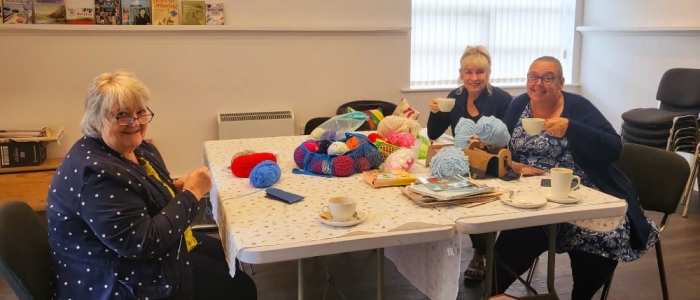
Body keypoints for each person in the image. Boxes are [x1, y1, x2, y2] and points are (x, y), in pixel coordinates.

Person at [46, 70, 257, 300]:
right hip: (118, 279)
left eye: (140, 112)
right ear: (96, 119)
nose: (135, 123)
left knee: (228, 255)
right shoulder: (97, 176)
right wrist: (192, 192)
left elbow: (141, 199)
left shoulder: (135, 148)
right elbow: (144, 243)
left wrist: (175, 189)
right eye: (122, 115)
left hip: (136, 254)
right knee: (239, 287)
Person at [495, 56, 659, 299]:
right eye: (533, 77)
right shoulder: (519, 104)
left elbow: (615, 148)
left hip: (585, 192)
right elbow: (504, 141)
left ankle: (581, 296)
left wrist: (573, 128)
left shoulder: (578, 107)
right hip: (533, 195)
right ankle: (491, 292)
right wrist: (505, 157)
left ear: (560, 82)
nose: (538, 83)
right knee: (517, 236)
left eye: (547, 78)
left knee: (601, 236)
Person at [426, 45, 512, 281]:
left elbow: (510, 139)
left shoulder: (503, 100)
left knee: (480, 205)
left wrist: (492, 143)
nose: (474, 78)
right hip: (464, 165)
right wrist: (434, 111)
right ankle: (445, 252)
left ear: (488, 73)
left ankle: (480, 254)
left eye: (480, 72)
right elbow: (433, 132)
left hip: (493, 167)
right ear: (461, 73)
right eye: (469, 72)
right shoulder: (454, 97)